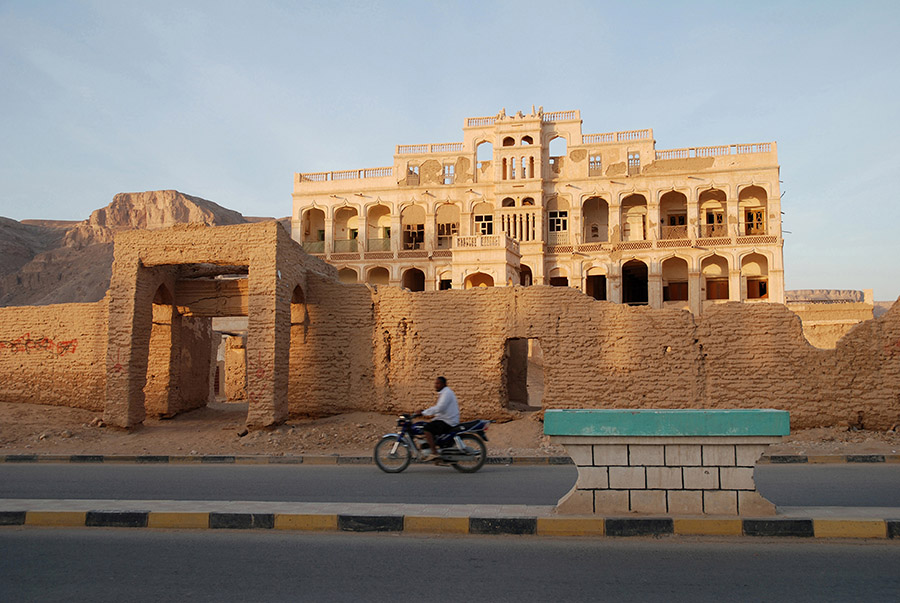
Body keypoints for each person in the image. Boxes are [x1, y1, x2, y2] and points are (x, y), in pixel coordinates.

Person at [417, 376, 459, 461]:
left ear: (443, 384)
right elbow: (440, 410)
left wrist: (424, 413)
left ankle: (434, 453)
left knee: (427, 429)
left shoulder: (446, 393)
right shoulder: (444, 393)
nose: (436, 385)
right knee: (426, 425)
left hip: (448, 421)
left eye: (438, 383)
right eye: (435, 383)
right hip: (445, 419)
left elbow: (439, 408)